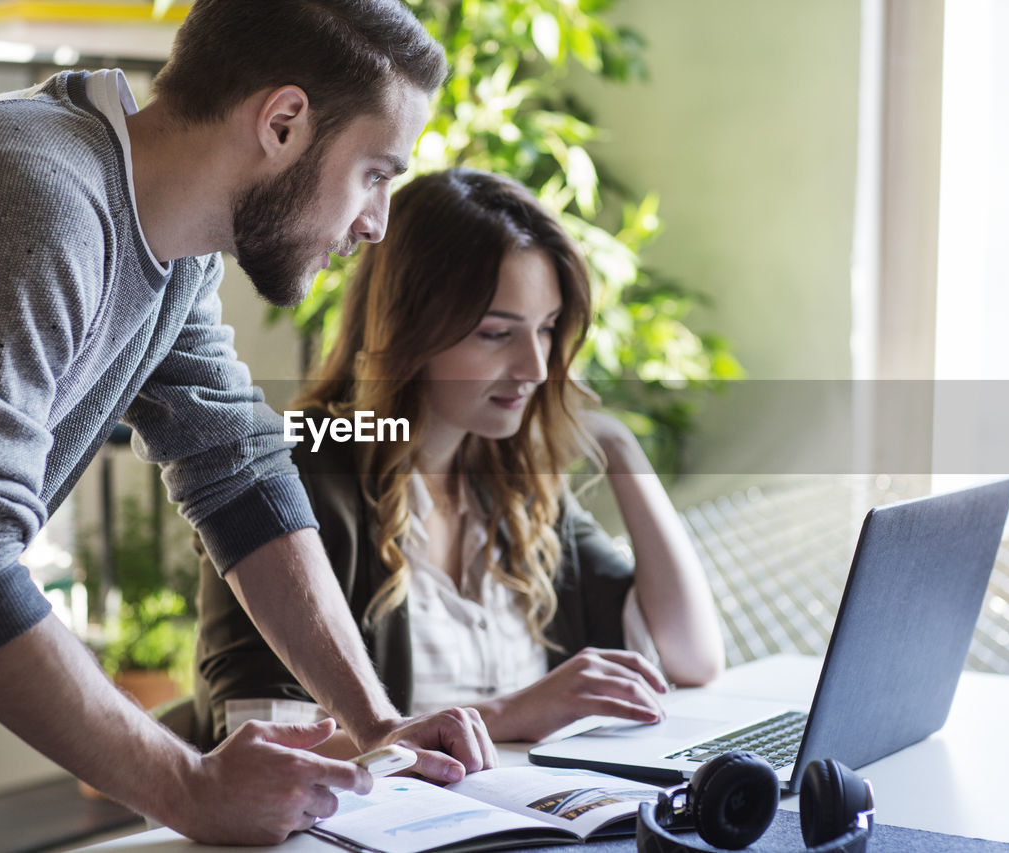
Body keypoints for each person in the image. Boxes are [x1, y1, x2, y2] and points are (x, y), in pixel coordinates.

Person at [0, 3, 498, 849]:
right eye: (376, 173)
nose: (376, 223)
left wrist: (377, 718)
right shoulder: (29, 204)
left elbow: (237, 471)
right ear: (282, 121)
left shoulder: (172, 244)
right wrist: (192, 788)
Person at [193, 169, 726, 756]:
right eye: (497, 334)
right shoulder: (294, 477)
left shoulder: (511, 486)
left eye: (546, 330)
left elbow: (693, 655)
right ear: (410, 328)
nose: (535, 368)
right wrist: (505, 716)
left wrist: (620, 446)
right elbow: (257, 750)